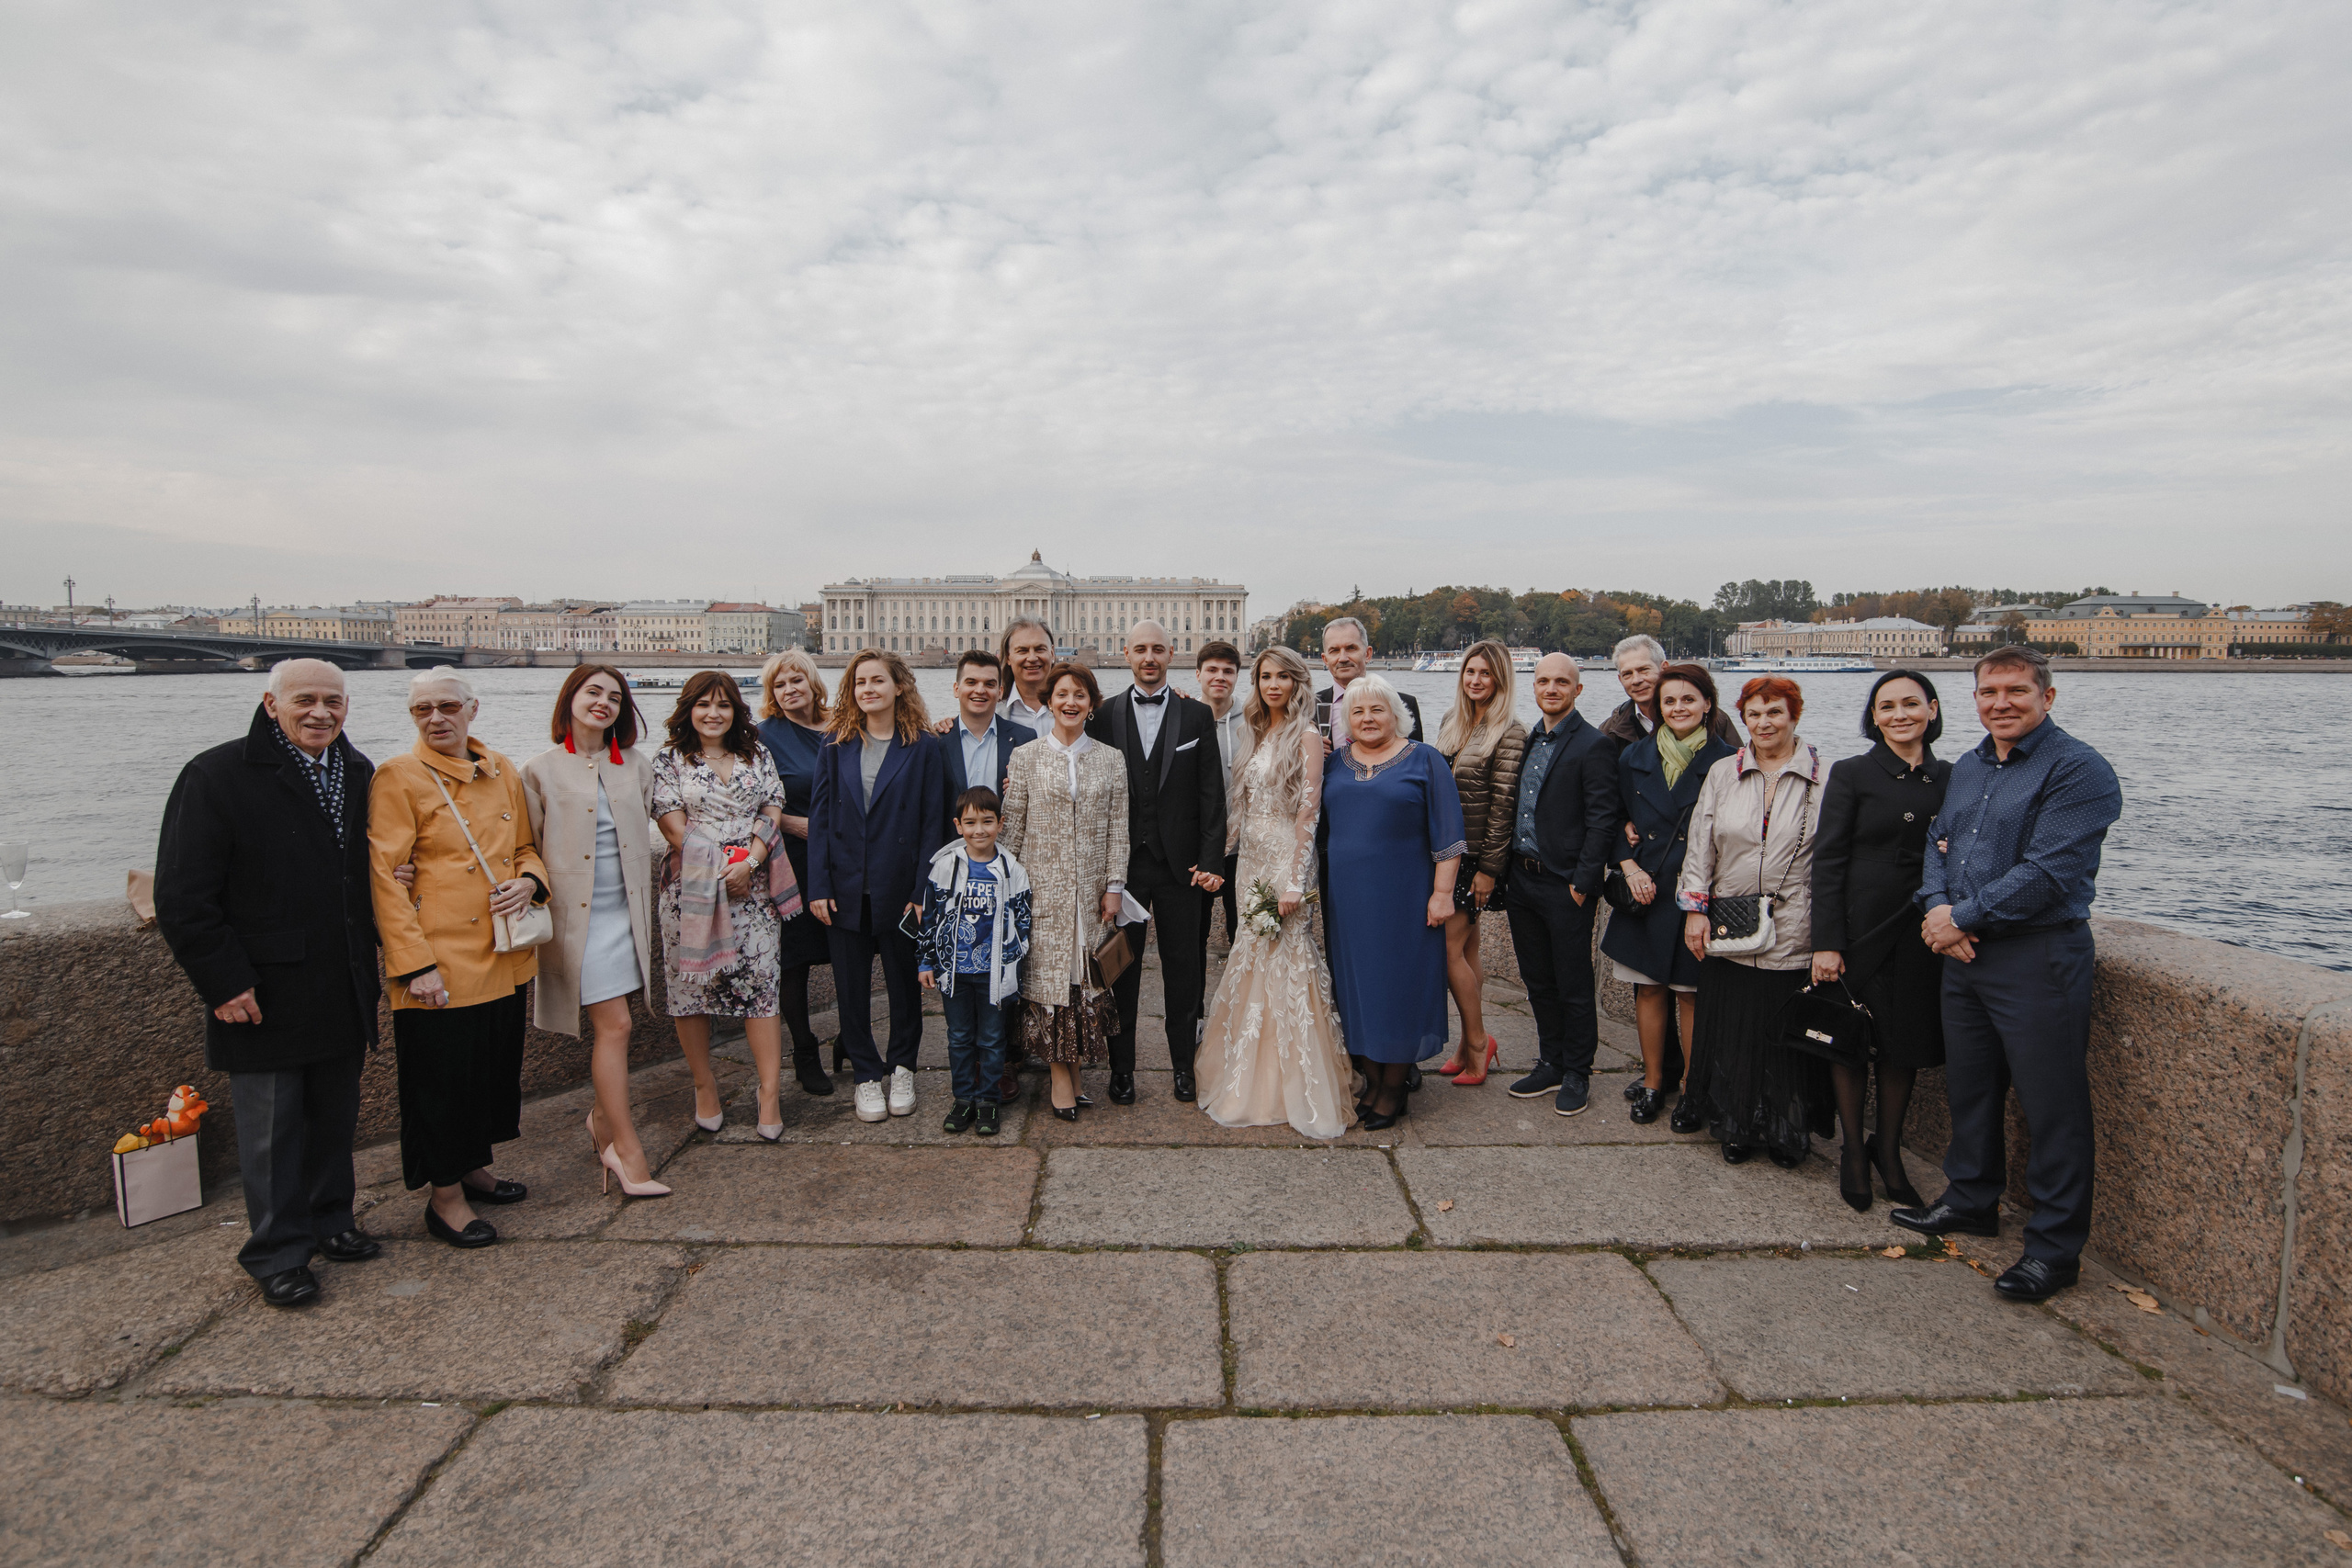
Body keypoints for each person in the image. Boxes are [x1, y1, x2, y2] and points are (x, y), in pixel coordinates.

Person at [1894, 648, 2121, 1303]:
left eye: (2016, 690)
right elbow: (1939, 845)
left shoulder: (2079, 770)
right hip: (1965, 954)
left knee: (2053, 1107)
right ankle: (1971, 1198)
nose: (2001, 702)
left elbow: (2049, 872)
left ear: (2047, 697)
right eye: (1989, 691)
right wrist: (1937, 908)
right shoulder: (1970, 765)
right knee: (1972, 1086)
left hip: (2036, 955)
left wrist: (1957, 917)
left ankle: (2053, 1249)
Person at [154, 659, 382, 1307]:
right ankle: (278, 1252)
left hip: (340, 979)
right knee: (272, 1131)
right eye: (305, 700)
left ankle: (332, 1221)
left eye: (333, 701)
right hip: (261, 988)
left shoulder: (358, 771)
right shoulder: (216, 774)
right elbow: (182, 895)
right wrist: (223, 982)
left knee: (333, 1118)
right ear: (270, 702)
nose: (321, 712)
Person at [368, 672, 550, 1248]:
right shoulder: (399, 777)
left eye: (447, 706)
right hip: (438, 960)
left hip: (499, 952)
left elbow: (525, 848)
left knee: (488, 1072)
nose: (435, 718)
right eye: (422, 709)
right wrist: (412, 964)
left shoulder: (500, 767)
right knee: (439, 1083)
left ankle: (474, 1167)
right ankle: (444, 1198)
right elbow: (384, 878)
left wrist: (529, 883)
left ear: (473, 708)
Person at [1194, 647, 1357, 1138]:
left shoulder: (1307, 736)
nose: (1272, 684)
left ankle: (1298, 1083)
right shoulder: (1253, 732)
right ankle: (1249, 1071)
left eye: (1282, 677)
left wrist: (1294, 881)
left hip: (1288, 858)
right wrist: (1215, 859)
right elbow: (1239, 807)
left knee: (1288, 956)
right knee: (1252, 954)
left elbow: (1310, 813)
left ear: (1296, 683)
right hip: (1251, 864)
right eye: (1265, 676)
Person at [521, 666, 667, 1197]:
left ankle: (600, 1122)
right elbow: (521, 847)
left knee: (618, 1026)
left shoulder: (636, 765)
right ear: (571, 699)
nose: (603, 703)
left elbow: (672, 820)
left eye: (614, 697)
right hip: (575, 922)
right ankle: (626, 1151)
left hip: (627, 916)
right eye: (592, 693)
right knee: (618, 1026)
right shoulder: (539, 769)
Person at [1673, 677, 1831, 1168]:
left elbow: (1835, 857)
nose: (1764, 723)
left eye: (1775, 713)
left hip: (1795, 923)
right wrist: (1695, 910)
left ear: (1794, 716)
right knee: (1734, 1029)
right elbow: (1701, 846)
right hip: (1731, 920)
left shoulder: (1825, 777)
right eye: (1755, 714)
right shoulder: (1725, 772)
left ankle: (1785, 1127)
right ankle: (1736, 1122)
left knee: (1783, 1033)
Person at [1809, 671, 1952, 1211]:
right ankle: (1851, 1151)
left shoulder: (1953, 778)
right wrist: (1827, 941)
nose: (1899, 715)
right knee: (1848, 1038)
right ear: (1874, 716)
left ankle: (1886, 1149)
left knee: (1904, 1045)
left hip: (1920, 929)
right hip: (1857, 925)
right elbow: (1827, 862)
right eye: (1886, 706)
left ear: (1932, 710)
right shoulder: (1852, 773)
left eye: (1910, 704)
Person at [808, 649, 951, 1123]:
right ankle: (867, 1075)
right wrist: (818, 884)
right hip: (846, 886)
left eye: (877, 681)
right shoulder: (835, 743)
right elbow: (821, 818)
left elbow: (934, 823)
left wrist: (922, 890)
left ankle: (903, 1067)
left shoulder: (924, 746)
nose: (868, 689)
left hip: (900, 887)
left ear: (898, 688)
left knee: (904, 987)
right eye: (859, 683)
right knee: (849, 987)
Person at [1089, 620, 1227, 1106]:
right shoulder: (1101, 716)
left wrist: (1211, 862)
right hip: (1122, 867)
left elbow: (1213, 797)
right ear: (1126, 653)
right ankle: (1121, 1070)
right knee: (1120, 971)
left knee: (1183, 968)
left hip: (1181, 868)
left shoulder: (1197, 718)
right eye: (1140, 649)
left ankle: (1183, 1068)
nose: (1149, 657)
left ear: (1173, 655)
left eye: (1158, 650)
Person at [652, 671, 793, 1140]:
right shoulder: (669, 759)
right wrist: (720, 872)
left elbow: (773, 807)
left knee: (762, 989)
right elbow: (674, 828)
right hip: (692, 891)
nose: (714, 713)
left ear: (736, 711)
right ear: (688, 709)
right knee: (691, 992)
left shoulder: (757, 754)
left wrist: (749, 864)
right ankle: (703, 1084)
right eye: (703, 705)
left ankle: (768, 1092)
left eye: (724, 705)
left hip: (753, 892)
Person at [1321, 674, 1465, 1129]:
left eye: (1377, 709)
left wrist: (1443, 894)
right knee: (1358, 987)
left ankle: (1393, 1088)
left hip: (1404, 897)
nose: (1367, 718)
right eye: (1358, 711)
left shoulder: (1425, 760)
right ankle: (1374, 1078)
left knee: (1399, 987)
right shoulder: (1335, 764)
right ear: (1347, 719)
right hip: (1347, 899)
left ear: (1396, 715)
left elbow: (1449, 834)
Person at [1601, 663, 1736, 1124]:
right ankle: (1655, 1081)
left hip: (1697, 894)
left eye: (1687, 699)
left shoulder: (1729, 760)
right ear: (1657, 709)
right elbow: (1613, 818)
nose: (1678, 708)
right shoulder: (1633, 756)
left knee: (1692, 994)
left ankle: (1692, 1089)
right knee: (1649, 988)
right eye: (1669, 701)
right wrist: (1629, 863)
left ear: (1707, 705)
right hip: (1648, 888)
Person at [1001, 662, 1130, 1121]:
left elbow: (1119, 829)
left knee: (1081, 983)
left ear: (1091, 704)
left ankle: (1073, 1073)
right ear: (1047, 701)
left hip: (1092, 893)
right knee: (1049, 984)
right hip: (1042, 893)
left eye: (1079, 694)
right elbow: (1012, 828)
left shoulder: (1111, 758)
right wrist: (1004, 887)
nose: (1070, 702)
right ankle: (1060, 1078)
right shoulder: (1026, 757)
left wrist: (1114, 886)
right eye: (1061, 694)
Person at [1501, 655, 1621, 1117]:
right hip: (1523, 881)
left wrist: (1582, 883)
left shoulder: (1593, 745)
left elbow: (1601, 819)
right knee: (1537, 979)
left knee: (1572, 981)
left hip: (1564, 884)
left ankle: (1578, 1071)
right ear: (1534, 687)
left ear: (1578, 689)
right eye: (1543, 681)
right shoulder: (1530, 737)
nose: (1551, 689)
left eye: (1561, 683)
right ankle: (1550, 1061)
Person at [1432, 639, 1526, 1088]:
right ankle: (1468, 1043)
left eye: (1486, 674)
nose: (1476, 680)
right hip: (1447, 850)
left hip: (1474, 858)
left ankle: (1477, 1044)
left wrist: (1489, 869)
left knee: (1447, 952)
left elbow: (1504, 806)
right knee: (1468, 952)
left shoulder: (1510, 732)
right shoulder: (1454, 721)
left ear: (1501, 679)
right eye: (1470, 672)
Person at [916, 786, 1033, 1138]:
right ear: (957, 825)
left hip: (993, 975)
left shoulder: (1013, 870)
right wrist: (926, 962)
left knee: (993, 1038)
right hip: (955, 973)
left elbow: (1023, 923)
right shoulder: (945, 867)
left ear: (1001, 823)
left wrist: (1013, 965)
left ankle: (988, 1100)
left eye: (987, 822)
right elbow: (931, 919)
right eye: (970, 823)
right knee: (959, 1037)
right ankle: (963, 1098)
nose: (978, 830)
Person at [752, 649, 839, 1095]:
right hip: (791, 861)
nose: (788, 691)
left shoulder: (842, 726)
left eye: (796, 682)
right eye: (779, 685)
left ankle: (851, 1038)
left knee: (852, 951)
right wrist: (788, 823)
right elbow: (747, 800)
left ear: (812, 684)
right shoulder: (762, 736)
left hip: (841, 858)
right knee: (795, 961)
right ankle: (805, 1050)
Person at [1193, 640, 1253, 955]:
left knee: (1242, 931)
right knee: (1194, 934)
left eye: (1228, 671)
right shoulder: (1184, 717)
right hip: (1198, 847)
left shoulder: (1253, 719)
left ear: (1236, 676)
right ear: (1198, 674)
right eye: (1212, 670)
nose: (1220, 677)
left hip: (1242, 845)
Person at [1599, 634, 1738, 750]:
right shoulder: (1610, 732)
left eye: (1644, 670)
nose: (1636, 680)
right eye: (1627, 674)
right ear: (1620, 679)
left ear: (1664, 668)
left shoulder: (1715, 720)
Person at [942, 649, 1038, 816]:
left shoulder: (1025, 739)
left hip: (1006, 840)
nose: (980, 690)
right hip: (953, 841)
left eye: (989, 684)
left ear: (1000, 692)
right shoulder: (937, 741)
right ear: (956, 689)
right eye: (971, 682)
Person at [1312, 617, 1422, 744]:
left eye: (1351, 648)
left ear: (1367, 654)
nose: (1342, 658)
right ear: (1325, 660)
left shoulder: (1404, 705)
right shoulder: (1307, 708)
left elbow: (1418, 759)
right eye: (1335, 651)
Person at [998, 616, 1058, 736]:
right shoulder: (992, 711)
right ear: (1008, 657)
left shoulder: (1076, 707)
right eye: (1022, 650)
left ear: (1052, 653)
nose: (1032, 658)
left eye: (1040, 649)